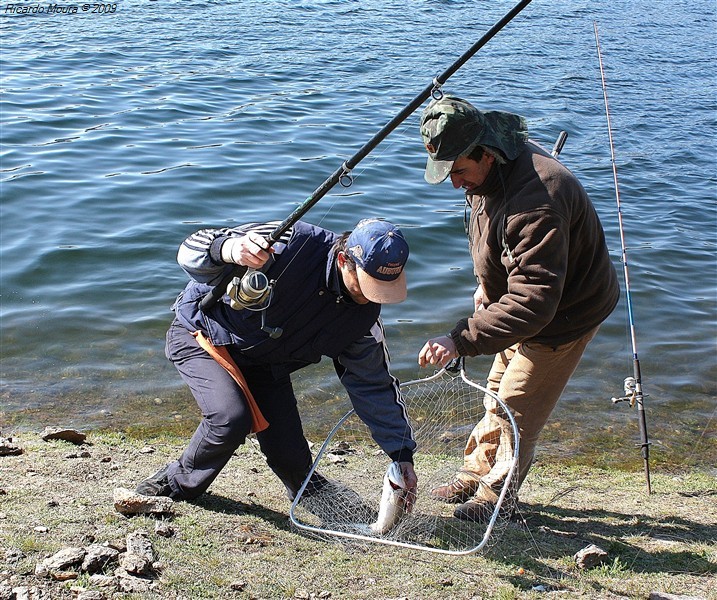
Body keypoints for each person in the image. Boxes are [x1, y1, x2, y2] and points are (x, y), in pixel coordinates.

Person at [416, 95, 620, 521]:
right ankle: (474, 473)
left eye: (459, 172)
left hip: (563, 317)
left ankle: (497, 497)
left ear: (486, 154)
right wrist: (484, 287)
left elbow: (535, 302)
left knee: (515, 407)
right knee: (495, 394)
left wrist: (460, 338)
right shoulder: (488, 171)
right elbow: (496, 239)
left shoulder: (538, 200)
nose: (455, 183)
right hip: (515, 302)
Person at [135, 217, 418, 508]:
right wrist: (229, 249)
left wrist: (401, 454)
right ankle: (173, 485)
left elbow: (374, 386)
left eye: (384, 287)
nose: (370, 297)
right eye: (366, 285)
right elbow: (189, 249)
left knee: (291, 457)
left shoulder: (363, 321)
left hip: (266, 365)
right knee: (230, 418)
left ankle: (310, 493)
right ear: (345, 259)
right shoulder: (289, 240)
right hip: (203, 334)